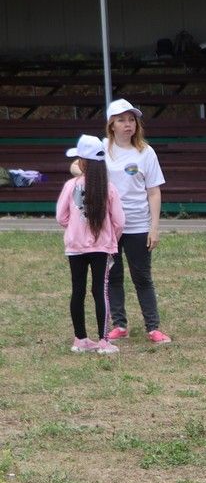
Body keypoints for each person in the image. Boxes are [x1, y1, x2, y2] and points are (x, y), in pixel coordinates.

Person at [103, 98, 169, 345]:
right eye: (121, 120)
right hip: (110, 226)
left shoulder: (145, 152)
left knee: (142, 277)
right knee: (113, 276)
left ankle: (153, 327)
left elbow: (154, 191)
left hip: (138, 226)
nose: (128, 124)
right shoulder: (102, 150)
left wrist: (154, 228)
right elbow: (77, 166)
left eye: (131, 119)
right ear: (112, 125)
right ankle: (119, 325)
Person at [57, 134, 124, 355]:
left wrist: (75, 227)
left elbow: (61, 217)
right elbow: (119, 221)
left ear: (83, 162)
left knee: (78, 290)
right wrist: (108, 236)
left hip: (75, 247)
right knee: (100, 291)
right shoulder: (109, 188)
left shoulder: (70, 185)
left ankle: (80, 339)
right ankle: (104, 341)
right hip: (101, 247)